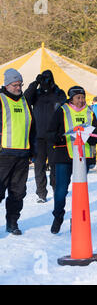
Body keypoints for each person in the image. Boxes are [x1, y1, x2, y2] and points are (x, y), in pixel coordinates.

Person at [46, 86, 97, 234]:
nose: (81, 100)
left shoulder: (90, 112)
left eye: (83, 97)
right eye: (78, 98)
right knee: (61, 190)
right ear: (71, 98)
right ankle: (58, 216)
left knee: (79, 192)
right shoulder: (62, 110)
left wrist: (91, 137)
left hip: (83, 158)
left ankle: (75, 220)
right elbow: (50, 133)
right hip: (64, 156)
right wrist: (59, 137)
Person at [0, 68, 36, 235]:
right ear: (7, 84)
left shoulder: (25, 101)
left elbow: (32, 127)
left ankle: (12, 223)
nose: (18, 87)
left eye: (20, 84)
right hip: (3, 156)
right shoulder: (0, 99)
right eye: (15, 84)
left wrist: (33, 150)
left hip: (22, 155)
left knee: (18, 193)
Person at [24, 70, 67, 203]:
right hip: (38, 136)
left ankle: (56, 189)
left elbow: (65, 107)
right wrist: (35, 83)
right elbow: (25, 98)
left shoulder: (59, 93)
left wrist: (53, 88)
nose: (46, 82)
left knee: (55, 165)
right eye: (44, 79)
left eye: (48, 79)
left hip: (53, 136)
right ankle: (41, 193)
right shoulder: (36, 94)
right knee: (39, 166)